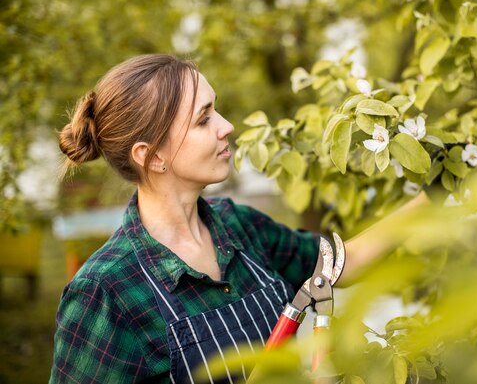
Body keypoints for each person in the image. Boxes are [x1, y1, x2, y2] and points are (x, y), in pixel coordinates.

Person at [50, 54, 427, 384]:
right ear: (153, 156)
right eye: (203, 120)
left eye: (216, 109)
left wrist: (433, 199)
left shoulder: (240, 226)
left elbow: (339, 265)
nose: (226, 126)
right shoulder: (105, 292)